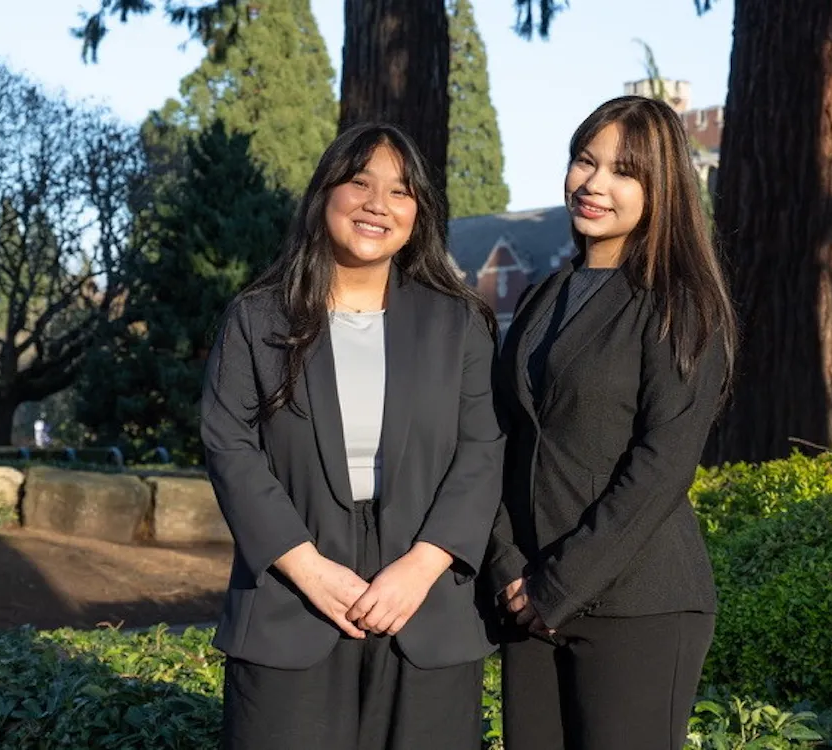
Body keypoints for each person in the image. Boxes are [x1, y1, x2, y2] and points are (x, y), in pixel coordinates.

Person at [201, 122, 504, 750]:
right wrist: (307, 568)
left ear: (418, 214)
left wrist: (423, 565)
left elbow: (484, 448)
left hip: (426, 601)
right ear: (324, 196)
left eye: (400, 191)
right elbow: (230, 444)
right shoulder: (257, 318)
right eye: (359, 183)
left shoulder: (458, 323)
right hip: (291, 594)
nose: (377, 204)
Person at [486, 95, 738, 750]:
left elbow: (661, 465)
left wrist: (557, 584)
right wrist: (508, 564)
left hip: (639, 605)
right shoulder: (547, 292)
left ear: (662, 189)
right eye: (584, 160)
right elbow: (506, 437)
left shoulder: (678, 302)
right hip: (529, 599)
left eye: (623, 171)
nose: (594, 183)